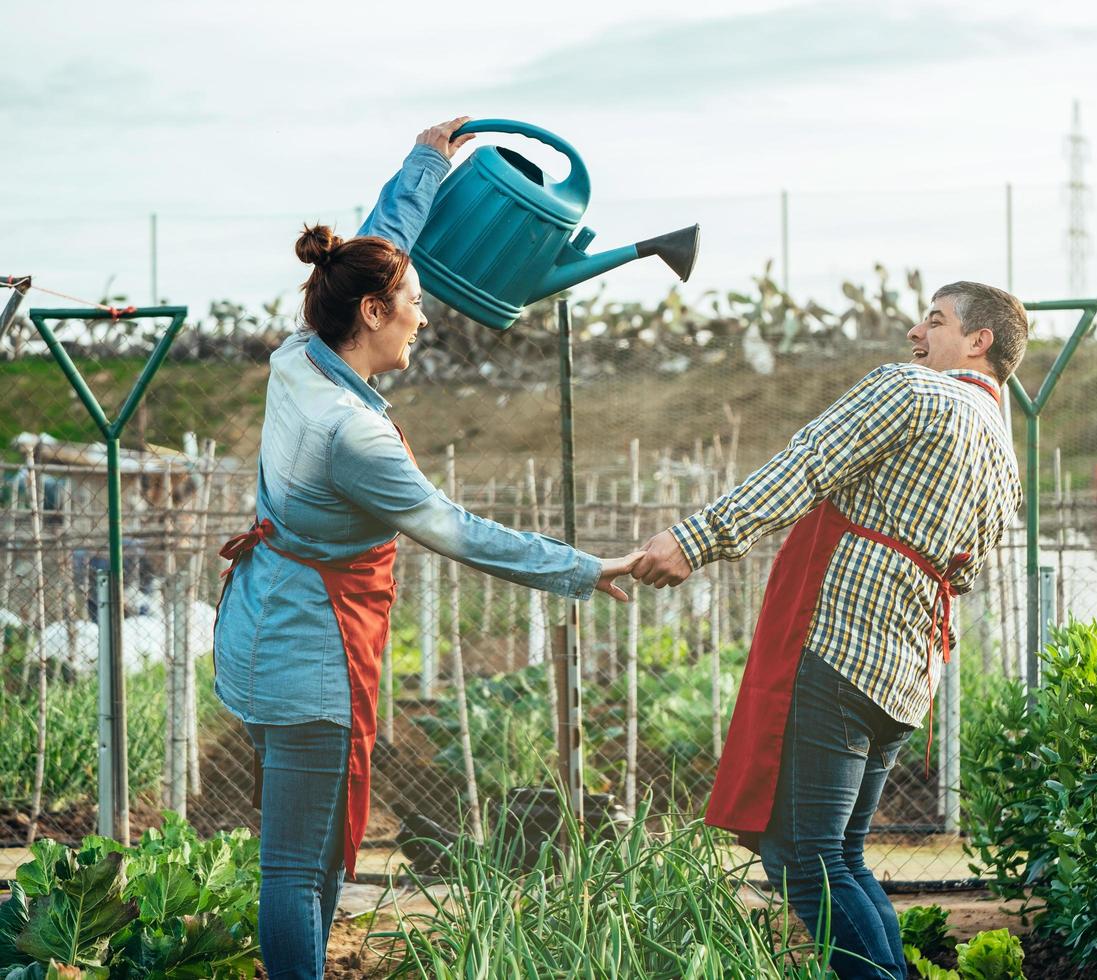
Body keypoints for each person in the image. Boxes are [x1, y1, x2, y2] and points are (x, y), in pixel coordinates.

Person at [211, 117, 642, 980]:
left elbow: (381, 243)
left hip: (263, 629)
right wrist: (586, 569)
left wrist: (425, 162)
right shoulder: (352, 436)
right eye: (412, 305)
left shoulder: (302, 357)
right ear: (372, 313)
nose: (423, 320)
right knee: (299, 868)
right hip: (308, 654)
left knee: (319, 853)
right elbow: (460, 532)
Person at [631, 282, 1027, 980]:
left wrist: (695, 540)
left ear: (979, 342)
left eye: (934, 321)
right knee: (839, 855)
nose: (914, 334)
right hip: (905, 675)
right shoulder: (1002, 454)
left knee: (804, 863)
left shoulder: (912, 391)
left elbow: (805, 467)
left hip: (840, 649)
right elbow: (962, 574)